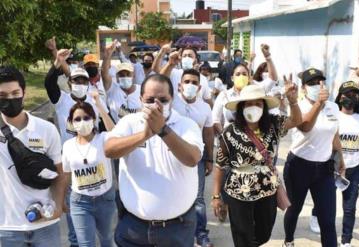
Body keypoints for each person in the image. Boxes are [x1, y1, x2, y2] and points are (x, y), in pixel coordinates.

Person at [104, 74, 204, 246]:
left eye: (163, 100)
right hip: (134, 228)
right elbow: (109, 150)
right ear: (141, 99)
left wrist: (162, 130)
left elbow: (192, 158)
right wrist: (143, 136)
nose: (156, 105)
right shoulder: (129, 122)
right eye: (150, 100)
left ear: (172, 99)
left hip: (177, 230)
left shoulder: (187, 125)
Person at [212, 80, 301, 247]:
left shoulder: (274, 124)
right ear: (241, 107)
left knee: (264, 234)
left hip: (268, 189)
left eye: (258, 104)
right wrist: (216, 196)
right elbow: (220, 165)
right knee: (242, 236)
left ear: (264, 106)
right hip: (239, 191)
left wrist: (293, 102)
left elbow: (296, 120)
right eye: (249, 104)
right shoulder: (229, 132)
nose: (254, 107)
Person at [0, 66, 66, 246]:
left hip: (45, 223)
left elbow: (60, 174)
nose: (10, 99)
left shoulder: (47, 129)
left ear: (24, 92)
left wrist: (58, 207)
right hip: (6, 229)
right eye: (3, 96)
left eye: (15, 93)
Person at [283, 68, 345, 247]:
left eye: (319, 82)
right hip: (298, 166)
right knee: (294, 210)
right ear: (303, 88)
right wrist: (319, 103)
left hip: (324, 170)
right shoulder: (298, 106)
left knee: (327, 220)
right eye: (311, 83)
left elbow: (334, 134)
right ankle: (288, 240)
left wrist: (341, 158)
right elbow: (306, 127)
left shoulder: (333, 106)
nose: (317, 86)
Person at [62, 98, 115, 247]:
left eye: (86, 117)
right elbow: (66, 175)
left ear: (93, 119)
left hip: (105, 199)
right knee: (85, 244)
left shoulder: (103, 139)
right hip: (80, 202)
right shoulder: (67, 146)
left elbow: (116, 133)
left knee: (106, 239)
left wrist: (99, 105)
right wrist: (61, 200)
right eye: (77, 119)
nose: (82, 122)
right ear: (71, 123)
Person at [172, 69, 214, 247]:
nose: (190, 85)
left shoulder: (205, 107)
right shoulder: (171, 102)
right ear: (179, 85)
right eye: (187, 81)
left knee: (198, 198)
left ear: (199, 87)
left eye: (194, 82)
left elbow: (209, 133)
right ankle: (176, 233)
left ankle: (201, 235)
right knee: (174, 194)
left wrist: (210, 159)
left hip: (197, 157)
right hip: (172, 157)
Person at [334, 81, 359, 247]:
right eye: (346, 94)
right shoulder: (333, 116)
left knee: (350, 208)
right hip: (333, 169)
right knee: (326, 206)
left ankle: (346, 241)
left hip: (354, 169)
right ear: (340, 97)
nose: (350, 97)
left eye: (354, 94)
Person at [212, 63, 250, 136]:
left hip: (251, 139)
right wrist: (224, 136)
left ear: (249, 78)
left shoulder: (254, 96)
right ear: (232, 78)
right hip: (229, 139)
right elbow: (215, 119)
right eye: (238, 74)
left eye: (244, 74)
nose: (241, 76)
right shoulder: (224, 95)